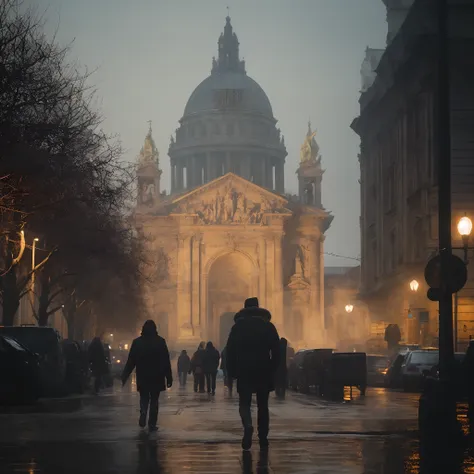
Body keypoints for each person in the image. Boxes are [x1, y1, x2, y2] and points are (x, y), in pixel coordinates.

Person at [227, 297, 281, 451]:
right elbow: (277, 350)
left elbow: (230, 350)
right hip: (263, 369)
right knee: (263, 405)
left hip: (244, 370)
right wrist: (272, 368)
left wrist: (232, 371)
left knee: (244, 403)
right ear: (258, 308)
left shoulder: (238, 327)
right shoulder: (268, 326)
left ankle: (248, 425)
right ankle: (263, 437)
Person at [121, 320, 172, 432]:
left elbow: (131, 361)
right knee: (154, 400)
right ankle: (152, 424)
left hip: (143, 375)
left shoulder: (137, 342)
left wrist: (125, 375)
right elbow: (166, 361)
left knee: (144, 397)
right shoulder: (160, 342)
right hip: (157, 376)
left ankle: (143, 412)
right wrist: (169, 377)